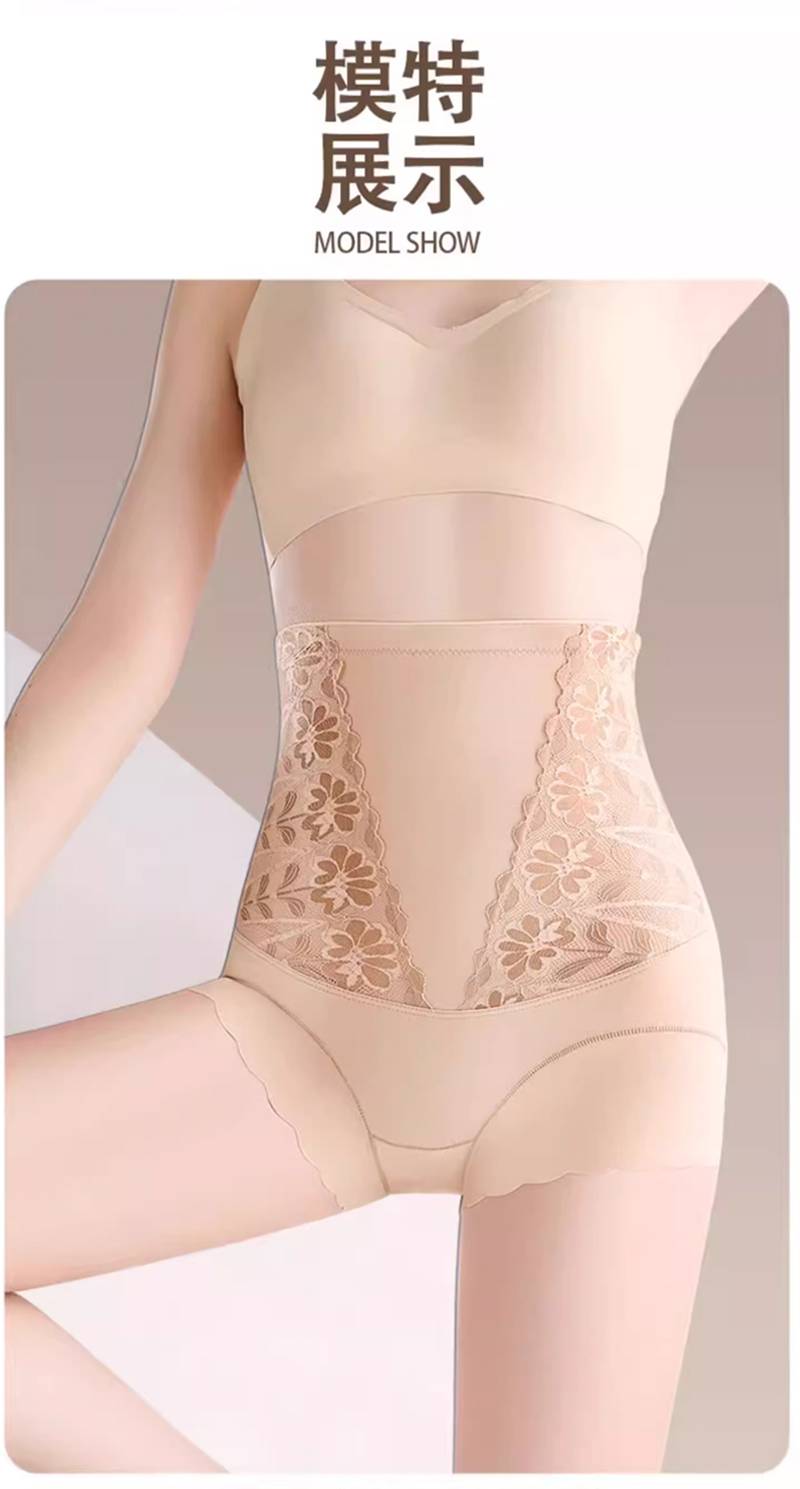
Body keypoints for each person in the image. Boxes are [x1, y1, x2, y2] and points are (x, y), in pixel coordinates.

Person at [5, 277, 768, 1472]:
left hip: (598, 1018)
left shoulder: (681, 228)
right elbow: (121, 650)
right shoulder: (234, 269)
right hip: (305, 1024)